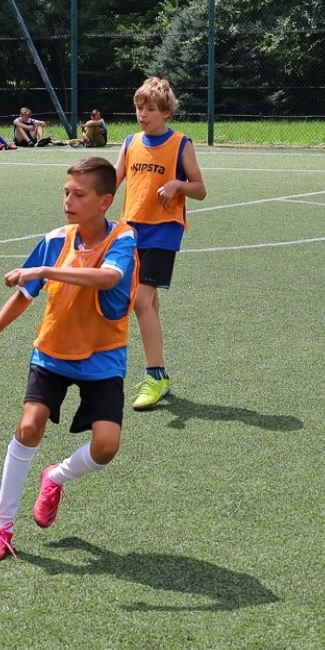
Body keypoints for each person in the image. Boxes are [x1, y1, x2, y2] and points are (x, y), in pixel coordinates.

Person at [0, 156, 138, 562]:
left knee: (106, 446)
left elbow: (109, 278)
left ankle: (56, 476)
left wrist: (47, 270)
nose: (68, 201)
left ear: (104, 201)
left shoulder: (124, 239)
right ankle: (1, 528)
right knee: (29, 427)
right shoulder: (55, 238)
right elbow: (24, 294)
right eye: (66, 192)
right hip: (52, 352)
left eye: (79, 194)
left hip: (103, 356)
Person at [113, 77, 206, 411]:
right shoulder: (130, 142)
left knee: (140, 301)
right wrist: (85, 189)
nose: (143, 114)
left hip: (164, 231)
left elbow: (200, 188)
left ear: (166, 112)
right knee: (147, 304)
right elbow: (113, 180)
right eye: (139, 108)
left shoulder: (181, 143)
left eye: (150, 109)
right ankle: (160, 375)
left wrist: (177, 184)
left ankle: (155, 375)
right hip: (130, 230)